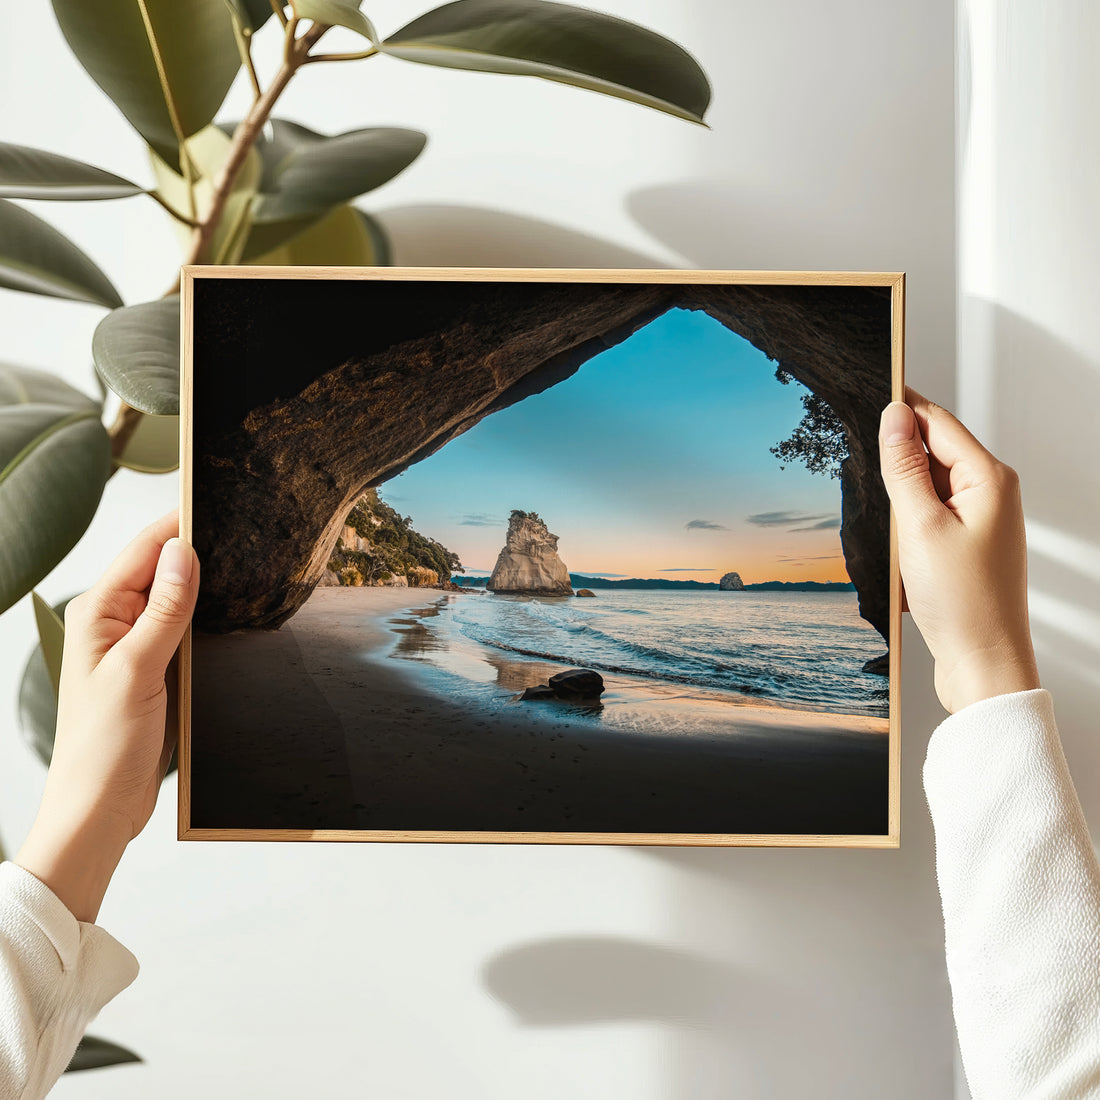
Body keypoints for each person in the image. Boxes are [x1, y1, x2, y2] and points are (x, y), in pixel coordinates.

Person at [1, 388, 1097, 1098]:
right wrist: (988, 668)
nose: (535, 556)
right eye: (534, 550)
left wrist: (79, 830)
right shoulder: (517, 571)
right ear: (530, 550)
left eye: (534, 550)